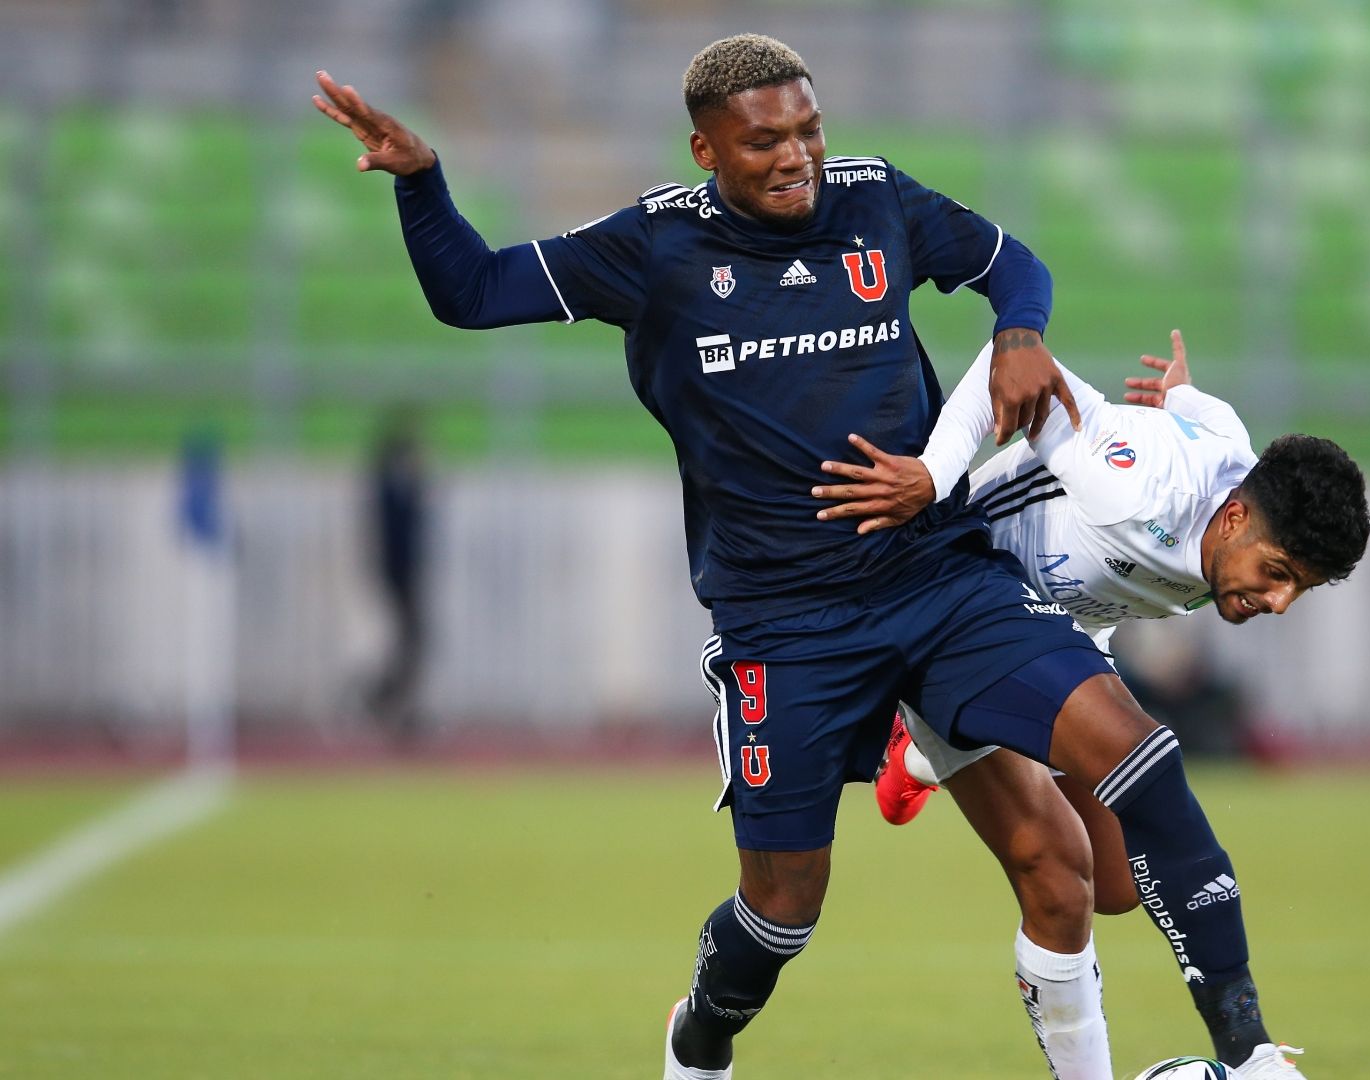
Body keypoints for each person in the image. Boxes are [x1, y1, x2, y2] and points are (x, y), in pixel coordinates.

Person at [315, 34, 1304, 1080]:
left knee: (1133, 763)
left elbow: (1015, 264)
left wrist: (1020, 328)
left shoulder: (877, 200)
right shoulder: (653, 245)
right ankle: (698, 1036)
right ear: (707, 151)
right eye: (766, 142)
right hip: (785, 624)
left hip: (940, 579)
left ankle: (1247, 1058)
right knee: (782, 913)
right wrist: (423, 184)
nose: (798, 158)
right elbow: (472, 290)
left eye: (809, 130)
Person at [813, 329, 1370, 1076]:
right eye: (1276, 573)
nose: (1278, 600)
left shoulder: (1232, 455)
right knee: (1062, 872)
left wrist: (1176, 391)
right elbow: (998, 365)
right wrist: (932, 475)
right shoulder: (1136, 482)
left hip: (1069, 635)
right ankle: (1251, 1055)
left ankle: (917, 753)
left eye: (1298, 586)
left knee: (1115, 886)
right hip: (959, 608)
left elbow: (1202, 415)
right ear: (1234, 517)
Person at [364, 406, 430, 747]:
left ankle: (391, 705)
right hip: (397, 576)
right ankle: (380, 700)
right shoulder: (390, 489)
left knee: (413, 643)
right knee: (411, 642)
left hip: (405, 576)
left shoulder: (404, 491)